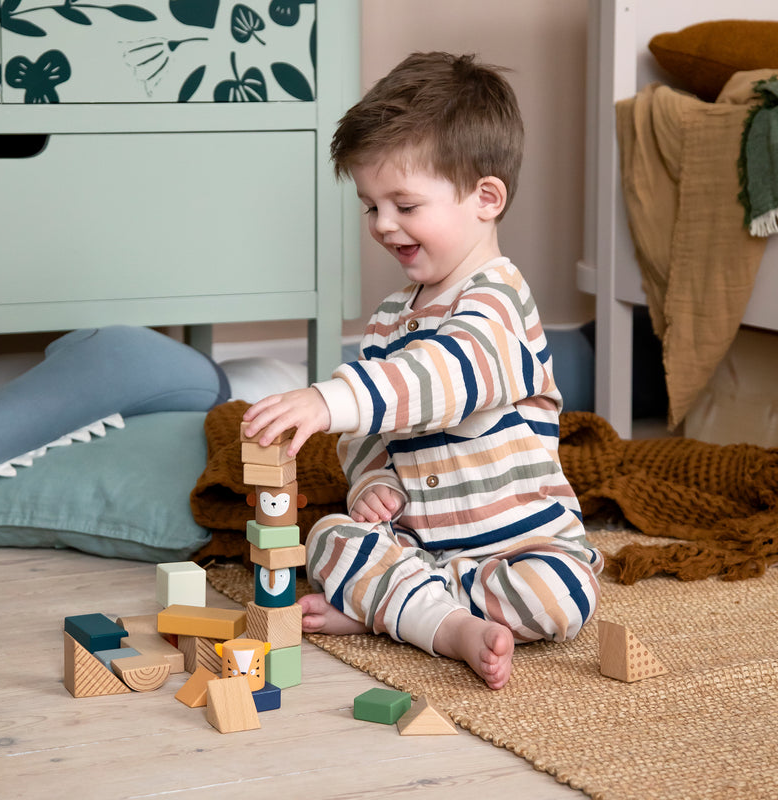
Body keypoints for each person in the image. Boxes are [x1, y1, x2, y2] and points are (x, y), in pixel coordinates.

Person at [243, 51, 603, 690]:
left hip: (520, 547)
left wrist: (332, 398)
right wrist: (369, 480)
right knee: (327, 538)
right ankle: (433, 615)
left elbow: (439, 377)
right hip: (420, 543)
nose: (383, 226)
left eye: (404, 205)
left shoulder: (500, 303)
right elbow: (369, 431)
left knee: (561, 597)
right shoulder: (388, 319)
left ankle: (408, 612)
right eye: (370, 206)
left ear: (485, 197)